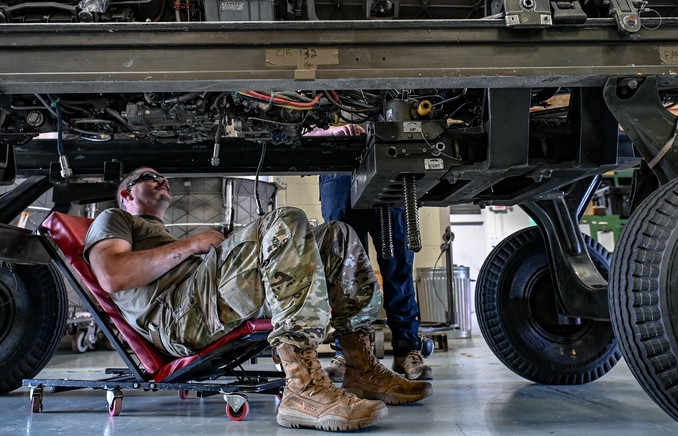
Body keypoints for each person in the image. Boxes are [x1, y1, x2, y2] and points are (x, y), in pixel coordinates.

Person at [84, 167, 431, 431]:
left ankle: (360, 366)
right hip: (176, 319)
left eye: (163, 179)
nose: (162, 181)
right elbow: (112, 274)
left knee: (336, 236)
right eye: (149, 177)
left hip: (200, 304)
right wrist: (193, 245)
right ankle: (302, 387)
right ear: (125, 194)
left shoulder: (163, 235)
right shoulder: (114, 219)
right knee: (286, 218)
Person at [311, 124, 432, 381]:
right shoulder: (318, 91)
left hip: (390, 162)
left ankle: (406, 350)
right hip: (338, 170)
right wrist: (330, 132)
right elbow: (297, 128)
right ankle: (349, 352)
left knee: (398, 267)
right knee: (344, 272)